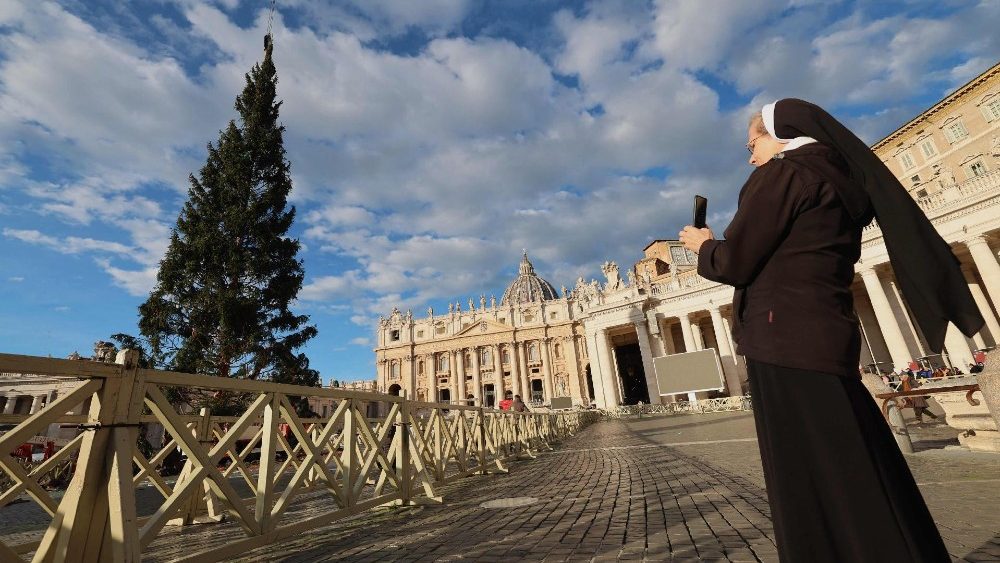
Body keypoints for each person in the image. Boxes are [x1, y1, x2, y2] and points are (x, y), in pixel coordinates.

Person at [679, 98, 983, 563]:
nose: (750, 156)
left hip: (783, 341)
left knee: (808, 476)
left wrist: (704, 246)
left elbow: (736, 261)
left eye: (753, 142)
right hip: (824, 334)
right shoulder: (836, 180)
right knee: (854, 461)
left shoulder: (785, 174)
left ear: (782, 133)